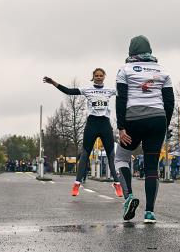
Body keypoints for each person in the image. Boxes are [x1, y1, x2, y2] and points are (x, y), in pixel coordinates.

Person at [115, 35, 174, 223]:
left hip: (133, 119)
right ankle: (149, 213)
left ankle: (129, 197)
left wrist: (121, 127)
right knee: (151, 167)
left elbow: (121, 99)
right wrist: (165, 125)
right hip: (158, 119)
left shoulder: (124, 70)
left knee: (121, 158)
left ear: (131, 51)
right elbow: (169, 102)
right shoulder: (163, 71)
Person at [43, 69, 122, 198]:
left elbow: (128, 92)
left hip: (105, 124)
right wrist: (53, 83)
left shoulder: (110, 90)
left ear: (104, 77)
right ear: (93, 77)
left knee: (111, 155)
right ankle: (77, 183)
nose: (98, 77)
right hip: (92, 124)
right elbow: (69, 91)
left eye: (101, 76)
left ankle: (117, 183)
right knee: (85, 154)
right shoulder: (87, 89)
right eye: (96, 76)